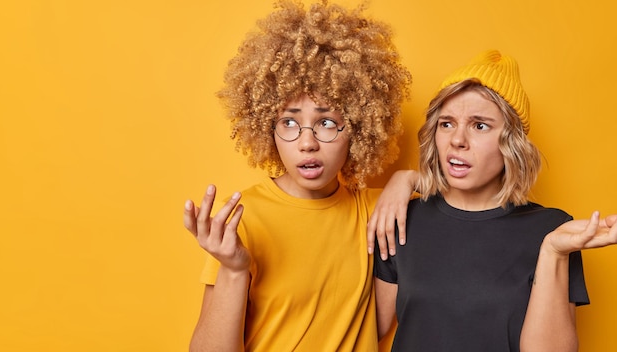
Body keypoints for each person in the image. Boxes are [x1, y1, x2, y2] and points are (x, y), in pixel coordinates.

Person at [182, 1, 412, 350]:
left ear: (360, 127)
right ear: (266, 127)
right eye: (289, 122)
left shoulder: (378, 212)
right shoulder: (244, 218)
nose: (307, 143)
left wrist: (406, 179)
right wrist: (232, 269)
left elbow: (463, 190)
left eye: (327, 123)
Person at [371, 50, 617, 352]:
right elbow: (361, 332)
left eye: (479, 125)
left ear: (511, 143)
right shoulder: (402, 219)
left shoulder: (553, 230)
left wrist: (553, 253)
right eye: (446, 123)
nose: (457, 140)